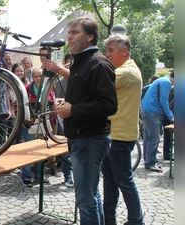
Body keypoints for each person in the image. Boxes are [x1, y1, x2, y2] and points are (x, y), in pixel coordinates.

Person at [43, 16, 118, 224]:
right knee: (91, 196)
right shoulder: (80, 61)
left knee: (85, 200)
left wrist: (73, 109)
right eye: (69, 33)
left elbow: (109, 106)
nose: (70, 37)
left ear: (90, 37)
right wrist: (66, 102)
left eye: (75, 33)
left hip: (90, 139)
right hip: (82, 137)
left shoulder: (99, 63)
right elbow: (88, 96)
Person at [102, 34, 144, 225]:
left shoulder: (126, 72)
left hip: (119, 136)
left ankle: (136, 221)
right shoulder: (125, 69)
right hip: (115, 133)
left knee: (124, 181)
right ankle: (109, 217)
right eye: (107, 50)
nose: (107, 54)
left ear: (124, 51)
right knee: (110, 180)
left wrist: (66, 70)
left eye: (111, 50)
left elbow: (98, 80)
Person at [21, 67, 52, 187]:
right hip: (30, 122)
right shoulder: (27, 89)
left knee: (41, 150)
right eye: (36, 76)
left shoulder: (48, 88)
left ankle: (40, 176)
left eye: (40, 76)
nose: (38, 78)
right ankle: (26, 176)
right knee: (27, 151)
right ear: (32, 77)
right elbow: (20, 104)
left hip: (44, 122)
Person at [141, 71, 174, 172]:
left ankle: (148, 160)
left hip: (147, 111)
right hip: (153, 112)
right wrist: (171, 116)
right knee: (154, 139)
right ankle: (150, 163)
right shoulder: (166, 82)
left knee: (148, 137)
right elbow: (163, 101)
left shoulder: (162, 79)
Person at [51, 52, 74, 188]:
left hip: (77, 116)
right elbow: (57, 97)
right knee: (65, 148)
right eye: (68, 63)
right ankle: (67, 176)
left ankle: (74, 175)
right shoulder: (61, 80)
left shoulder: (79, 78)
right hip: (64, 117)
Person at [163, 84, 174, 160]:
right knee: (168, 135)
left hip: (169, 113)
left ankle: (167, 153)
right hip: (170, 114)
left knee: (168, 136)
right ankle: (167, 154)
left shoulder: (172, 88)